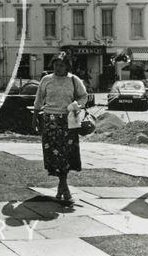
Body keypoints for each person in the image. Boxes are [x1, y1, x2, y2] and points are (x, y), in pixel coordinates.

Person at [32, 51, 88, 204]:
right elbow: (38, 100)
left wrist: (78, 105)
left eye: (61, 65)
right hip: (50, 120)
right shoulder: (46, 80)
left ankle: (63, 186)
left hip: (68, 121)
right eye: (56, 65)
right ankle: (63, 185)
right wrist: (35, 118)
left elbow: (84, 96)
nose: (58, 68)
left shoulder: (73, 80)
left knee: (67, 155)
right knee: (55, 155)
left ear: (67, 66)